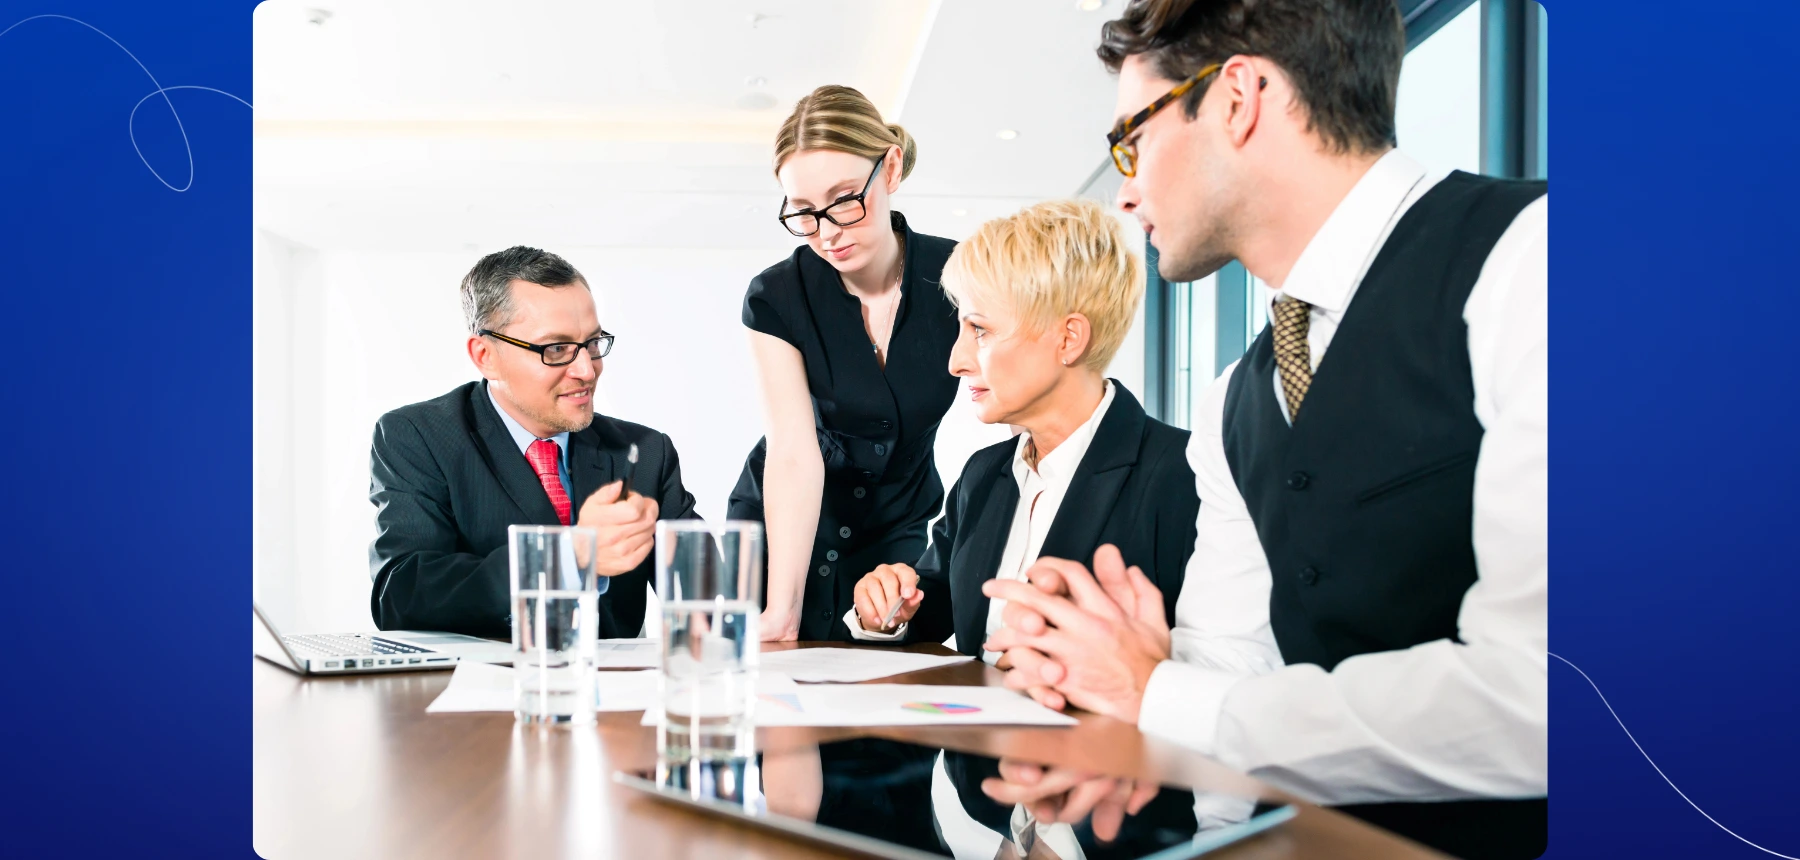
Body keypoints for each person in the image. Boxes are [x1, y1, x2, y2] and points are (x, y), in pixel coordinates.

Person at [981, 2, 1548, 858]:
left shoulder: (1534, 262)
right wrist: (1118, 726)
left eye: (1132, 137)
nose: (1126, 186)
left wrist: (1157, 696)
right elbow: (1231, 663)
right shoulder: (1230, 402)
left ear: (1239, 96)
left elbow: (1549, 696)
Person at [843, 199, 1198, 659]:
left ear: (1068, 338)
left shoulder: (1183, 474)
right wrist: (885, 613)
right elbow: (930, 605)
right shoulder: (983, 475)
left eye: (980, 331)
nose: (955, 362)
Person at [728, 85, 962, 642]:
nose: (828, 231)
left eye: (845, 199)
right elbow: (792, 450)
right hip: (783, 527)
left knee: (886, 701)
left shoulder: (961, 277)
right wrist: (782, 608)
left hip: (897, 524)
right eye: (805, 214)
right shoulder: (776, 297)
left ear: (892, 169)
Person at [368, 246, 698, 640]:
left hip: (614, 688)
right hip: (481, 689)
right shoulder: (418, 435)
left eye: (592, 343)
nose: (586, 369)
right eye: (556, 349)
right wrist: (568, 555)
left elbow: (705, 591)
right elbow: (402, 597)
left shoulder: (645, 451)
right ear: (485, 355)